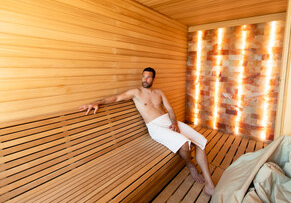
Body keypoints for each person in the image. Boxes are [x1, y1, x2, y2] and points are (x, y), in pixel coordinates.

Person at [79, 67, 215, 195]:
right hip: (155, 126)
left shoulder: (159, 92)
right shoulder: (136, 93)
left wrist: (174, 123)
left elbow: (170, 109)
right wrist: (97, 102)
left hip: (169, 121)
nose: (145, 79)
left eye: (148, 77)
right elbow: (116, 98)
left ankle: (209, 184)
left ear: (153, 79)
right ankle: (190, 165)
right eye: (143, 76)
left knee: (200, 140)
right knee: (185, 144)